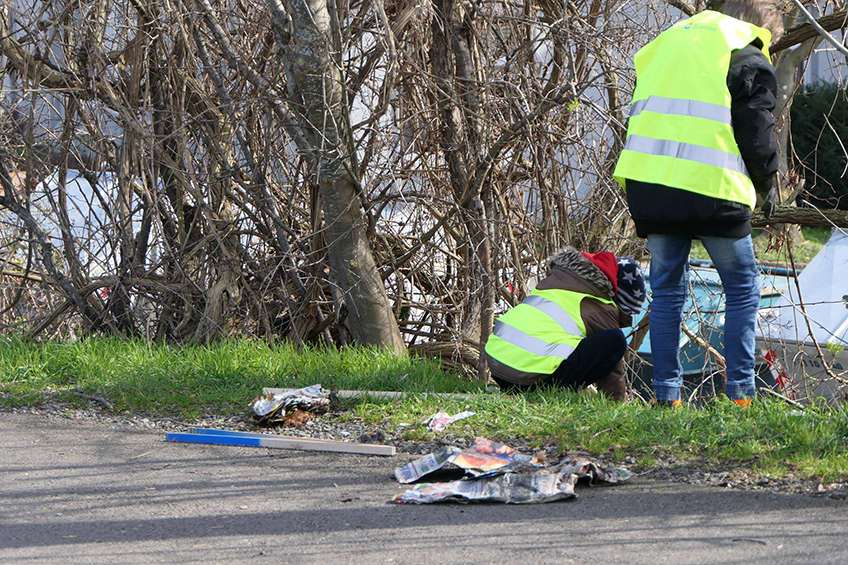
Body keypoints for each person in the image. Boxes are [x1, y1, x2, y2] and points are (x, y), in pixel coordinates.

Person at [613, 0, 783, 407]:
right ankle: (741, 394)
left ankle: (667, 396)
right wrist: (768, 182)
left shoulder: (667, 42)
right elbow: (756, 127)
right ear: (757, 24)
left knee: (668, 291)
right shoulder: (744, 51)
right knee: (742, 287)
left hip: (651, 186)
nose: (769, 49)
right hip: (712, 189)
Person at [485, 247, 645, 401]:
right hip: (528, 378)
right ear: (618, 298)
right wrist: (616, 407)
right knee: (615, 340)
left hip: (499, 369)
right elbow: (613, 373)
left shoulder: (556, 283)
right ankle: (556, 392)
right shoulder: (602, 306)